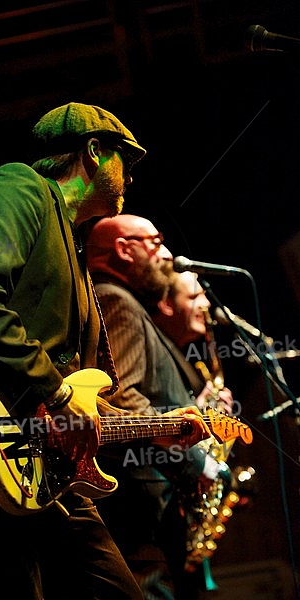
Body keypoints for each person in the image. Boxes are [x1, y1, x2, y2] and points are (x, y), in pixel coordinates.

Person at [0, 102, 211, 600]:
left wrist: (157, 430)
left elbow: (79, 396)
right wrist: (58, 397)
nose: (130, 177)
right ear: (93, 152)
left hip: (56, 474)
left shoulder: (74, 247)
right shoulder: (17, 186)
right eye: (124, 162)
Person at [85, 214, 233, 600]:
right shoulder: (116, 299)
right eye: (155, 242)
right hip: (139, 503)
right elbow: (119, 396)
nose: (166, 253)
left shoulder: (125, 301)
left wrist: (195, 411)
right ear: (123, 249)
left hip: (153, 499)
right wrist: (195, 460)